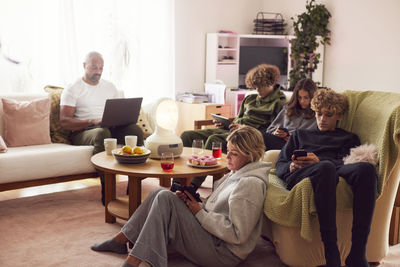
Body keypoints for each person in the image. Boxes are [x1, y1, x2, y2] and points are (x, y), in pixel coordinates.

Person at [91, 126, 270, 267]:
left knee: (165, 198)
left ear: (251, 155)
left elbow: (237, 235)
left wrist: (199, 212)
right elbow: (220, 208)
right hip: (212, 236)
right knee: (160, 193)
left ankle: (134, 260)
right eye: (228, 150)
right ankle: (122, 239)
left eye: (234, 153)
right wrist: (197, 203)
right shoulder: (237, 172)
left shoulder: (250, 184)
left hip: (223, 252)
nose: (227, 156)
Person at [275, 89, 377, 267]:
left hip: (331, 169)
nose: (321, 119)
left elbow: (347, 162)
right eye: (318, 114)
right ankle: (332, 253)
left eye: (328, 115)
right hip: (301, 173)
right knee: (325, 167)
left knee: (366, 168)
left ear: (339, 115)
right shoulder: (300, 135)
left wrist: (320, 160)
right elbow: (280, 165)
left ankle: (358, 253)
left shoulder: (348, 138)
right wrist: (290, 166)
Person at [177, 63, 286, 189]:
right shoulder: (250, 98)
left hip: (248, 136)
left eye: (260, 87)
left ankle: (192, 187)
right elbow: (238, 119)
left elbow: (270, 131)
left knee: (214, 140)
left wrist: (244, 129)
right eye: (255, 87)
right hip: (233, 131)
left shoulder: (279, 102)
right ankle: (178, 182)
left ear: (270, 83)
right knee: (187, 135)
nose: (257, 90)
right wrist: (225, 124)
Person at [60, 51, 144, 205]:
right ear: (84, 65)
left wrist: (122, 119)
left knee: (135, 131)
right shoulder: (73, 88)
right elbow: (65, 121)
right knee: (102, 133)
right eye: (94, 68)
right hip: (83, 132)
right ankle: (108, 189)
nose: (98, 71)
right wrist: (92, 121)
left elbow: (118, 111)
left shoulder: (110, 87)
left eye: (101, 68)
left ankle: (134, 182)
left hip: (108, 127)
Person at [262, 78, 318, 150]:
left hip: (299, 146)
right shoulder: (288, 109)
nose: (302, 101)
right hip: (281, 141)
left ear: (312, 97)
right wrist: (275, 133)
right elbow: (270, 129)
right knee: (258, 136)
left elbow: (316, 138)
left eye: (306, 98)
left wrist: (294, 138)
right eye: (299, 97)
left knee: (262, 138)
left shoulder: (317, 114)